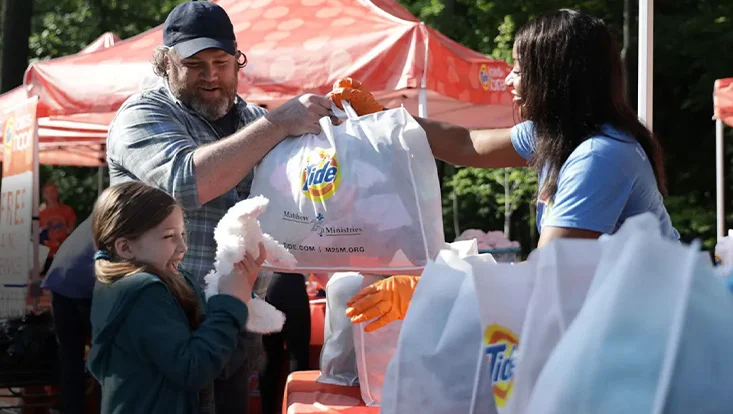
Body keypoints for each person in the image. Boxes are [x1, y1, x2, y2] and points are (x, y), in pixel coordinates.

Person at [335, 9, 679, 328]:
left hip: (651, 328)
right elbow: (464, 143)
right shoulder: (556, 134)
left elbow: (544, 278)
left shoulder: (598, 156)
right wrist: (385, 119)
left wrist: (433, 291)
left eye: (518, 69)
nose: (509, 82)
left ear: (556, 76)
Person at [105, 2, 324, 412]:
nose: (211, 76)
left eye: (221, 62)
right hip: (164, 321)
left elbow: (306, 196)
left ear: (238, 61)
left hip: (234, 319)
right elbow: (185, 184)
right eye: (195, 64)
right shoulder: (142, 115)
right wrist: (277, 125)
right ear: (164, 63)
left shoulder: (252, 119)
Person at [87, 181, 266, 414]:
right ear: (125, 248)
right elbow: (194, 370)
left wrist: (239, 295)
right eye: (169, 236)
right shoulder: (142, 293)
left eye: (182, 234)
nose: (183, 247)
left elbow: (220, 362)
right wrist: (231, 303)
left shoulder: (179, 282)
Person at [41, 216, 99, 414]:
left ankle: (72, 409)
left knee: (70, 357)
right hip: (81, 283)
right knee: (104, 354)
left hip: (60, 280)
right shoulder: (133, 216)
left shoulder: (101, 213)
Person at [39, 182, 77, 273]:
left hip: (63, 252)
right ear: (44, 195)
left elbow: (72, 231)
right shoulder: (40, 213)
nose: (51, 194)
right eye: (48, 192)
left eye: (53, 191)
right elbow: (38, 234)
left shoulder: (67, 211)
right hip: (46, 254)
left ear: (57, 193)